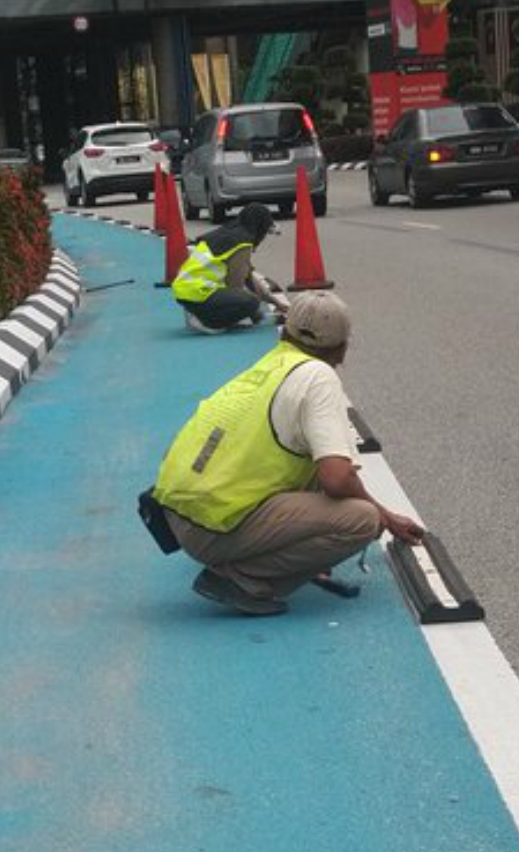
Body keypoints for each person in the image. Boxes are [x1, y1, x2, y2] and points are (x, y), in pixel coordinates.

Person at [146, 291, 424, 616]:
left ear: (288, 331)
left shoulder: (272, 363)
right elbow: (337, 478)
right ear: (341, 347)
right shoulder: (319, 378)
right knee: (362, 519)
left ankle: (254, 556)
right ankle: (240, 579)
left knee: (308, 462)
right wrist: (387, 518)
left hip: (179, 513)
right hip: (212, 529)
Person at [171, 202, 280, 334]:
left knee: (249, 302)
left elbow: (249, 277)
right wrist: (253, 312)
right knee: (250, 302)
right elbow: (235, 283)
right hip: (199, 291)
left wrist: (275, 302)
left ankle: (199, 314)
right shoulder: (242, 243)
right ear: (260, 227)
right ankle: (209, 322)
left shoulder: (228, 234)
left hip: (186, 291)